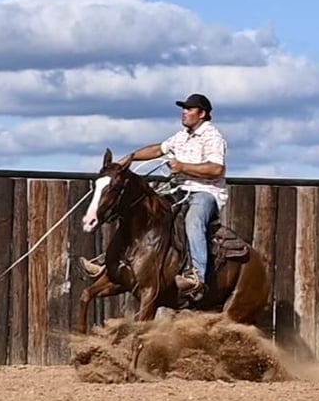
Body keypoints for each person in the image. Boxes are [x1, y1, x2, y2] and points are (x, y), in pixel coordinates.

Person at [79, 93, 228, 299]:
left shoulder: (213, 137)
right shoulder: (181, 136)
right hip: (179, 191)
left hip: (204, 193)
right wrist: (130, 158)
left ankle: (197, 277)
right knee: (143, 213)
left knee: (194, 221)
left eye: (189, 109)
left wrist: (183, 166)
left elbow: (216, 169)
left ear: (202, 114)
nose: (184, 113)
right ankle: (108, 261)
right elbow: (158, 149)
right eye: (183, 109)